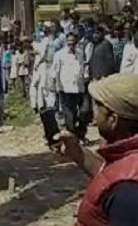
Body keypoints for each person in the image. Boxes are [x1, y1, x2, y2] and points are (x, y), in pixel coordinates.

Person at [57, 73, 138, 225]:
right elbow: (112, 174)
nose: (94, 114)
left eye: (99, 107)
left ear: (112, 120)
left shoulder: (128, 191)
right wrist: (78, 153)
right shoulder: (128, 159)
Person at [52, 33, 88, 140]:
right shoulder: (59, 55)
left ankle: (81, 134)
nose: (71, 44)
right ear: (66, 42)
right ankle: (72, 136)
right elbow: (54, 72)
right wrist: (56, 87)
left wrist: (86, 76)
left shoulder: (80, 53)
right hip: (65, 88)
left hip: (79, 87)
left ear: (76, 42)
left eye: (73, 41)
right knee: (69, 114)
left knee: (84, 112)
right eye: (69, 41)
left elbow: (83, 67)